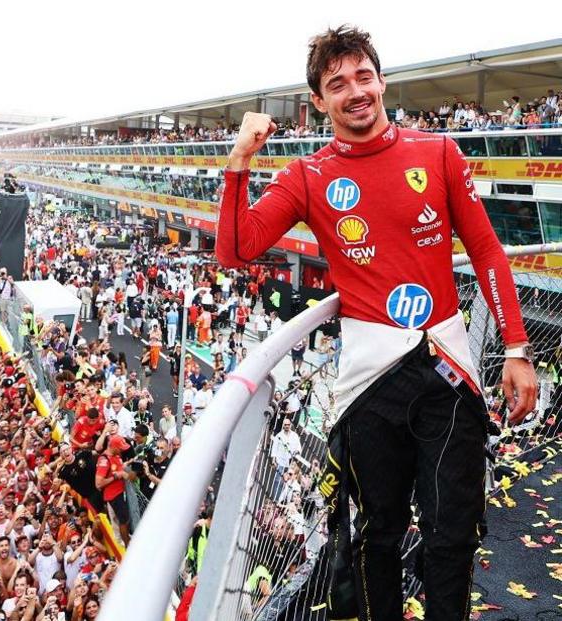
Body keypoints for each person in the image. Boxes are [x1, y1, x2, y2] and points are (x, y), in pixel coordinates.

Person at [216, 25, 537, 621]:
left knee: (452, 536)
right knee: (374, 535)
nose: (354, 91)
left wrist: (515, 346)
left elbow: (489, 251)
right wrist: (239, 160)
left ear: (382, 81)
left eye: (363, 76)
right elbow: (236, 250)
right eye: (337, 83)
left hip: (448, 370)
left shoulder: (438, 153)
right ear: (319, 101)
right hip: (370, 384)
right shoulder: (307, 175)